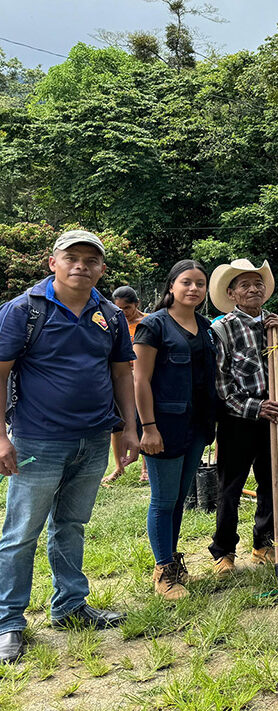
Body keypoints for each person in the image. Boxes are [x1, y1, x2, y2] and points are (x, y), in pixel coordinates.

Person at [0, 230, 138, 662]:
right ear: (53, 263)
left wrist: (129, 428)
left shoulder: (110, 314)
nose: (81, 265)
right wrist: (0, 436)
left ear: (101, 268)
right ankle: (8, 622)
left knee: (71, 524)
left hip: (93, 438)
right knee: (21, 533)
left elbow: (121, 374)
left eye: (91, 260)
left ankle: (70, 605)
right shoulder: (23, 311)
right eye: (71, 257)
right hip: (37, 439)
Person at [133, 260, 216, 600]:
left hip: (196, 424)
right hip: (164, 425)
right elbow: (140, 379)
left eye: (200, 283)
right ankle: (163, 571)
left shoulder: (206, 326)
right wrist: (148, 427)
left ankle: (172, 563)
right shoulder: (153, 325)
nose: (194, 288)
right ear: (171, 286)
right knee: (164, 499)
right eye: (186, 282)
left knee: (180, 498)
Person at [208, 259, 278, 575]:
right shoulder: (222, 329)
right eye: (244, 285)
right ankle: (224, 551)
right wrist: (255, 407)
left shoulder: (275, 323)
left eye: (258, 283)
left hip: (277, 411)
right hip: (239, 417)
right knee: (230, 485)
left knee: (271, 481)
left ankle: (264, 543)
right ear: (231, 293)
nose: (253, 289)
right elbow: (221, 385)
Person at [105, 285, 148, 484]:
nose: (123, 313)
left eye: (127, 308)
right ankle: (119, 467)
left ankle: (146, 469)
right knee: (117, 424)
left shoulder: (149, 322)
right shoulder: (113, 323)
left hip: (142, 378)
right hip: (119, 378)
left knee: (144, 421)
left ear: (137, 304)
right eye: (119, 309)